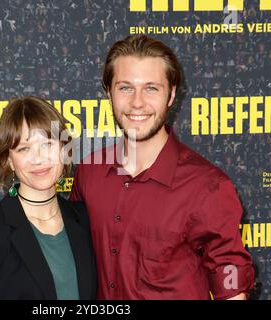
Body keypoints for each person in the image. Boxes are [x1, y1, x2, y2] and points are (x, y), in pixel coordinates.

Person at [69, 35, 255, 300]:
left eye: (151, 88)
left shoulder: (208, 187)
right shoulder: (89, 171)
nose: (137, 102)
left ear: (171, 94)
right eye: (125, 88)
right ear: (108, 92)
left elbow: (232, 287)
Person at [0, 96, 97, 300]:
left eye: (47, 144)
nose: (38, 158)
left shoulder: (83, 218)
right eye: (24, 148)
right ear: (9, 160)